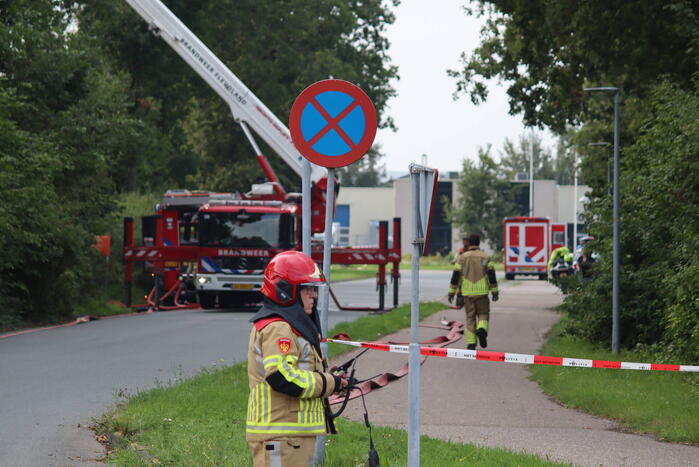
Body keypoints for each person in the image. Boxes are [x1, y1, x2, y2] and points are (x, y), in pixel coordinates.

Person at [246, 251, 346, 466]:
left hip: (289, 437)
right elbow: (282, 377)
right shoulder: (279, 328)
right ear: (285, 291)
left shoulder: (289, 326)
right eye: (307, 289)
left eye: (314, 289)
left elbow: (298, 370)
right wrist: (329, 383)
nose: (314, 295)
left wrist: (332, 379)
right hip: (281, 436)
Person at [448, 233, 499, 350]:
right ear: (479, 242)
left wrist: (451, 292)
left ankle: (471, 343)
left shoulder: (462, 258)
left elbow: (455, 276)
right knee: (483, 314)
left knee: (470, 317)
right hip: (482, 292)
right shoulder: (485, 257)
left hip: (467, 293)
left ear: (469, 243)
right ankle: (481, 330)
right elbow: (491, 275)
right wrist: (495, 292)